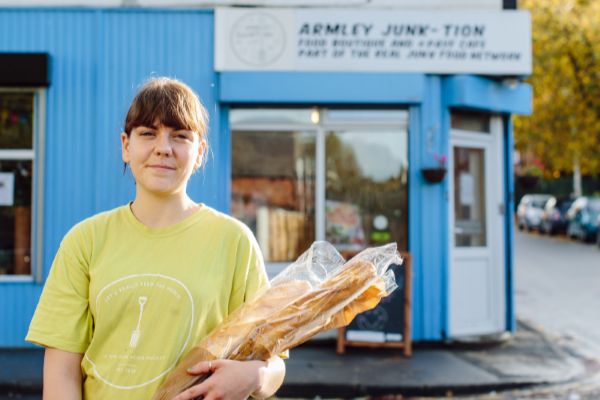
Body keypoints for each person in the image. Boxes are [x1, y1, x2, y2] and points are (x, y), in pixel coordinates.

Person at [26, 77, 286, 400]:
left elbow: (273, 362)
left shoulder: (234, 241)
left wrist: (254, 375)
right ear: (125, 145)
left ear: (200, 152)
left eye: (180, 136)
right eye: (148, 134)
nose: (163, 148)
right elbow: (61, 373)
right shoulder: (85, 241)